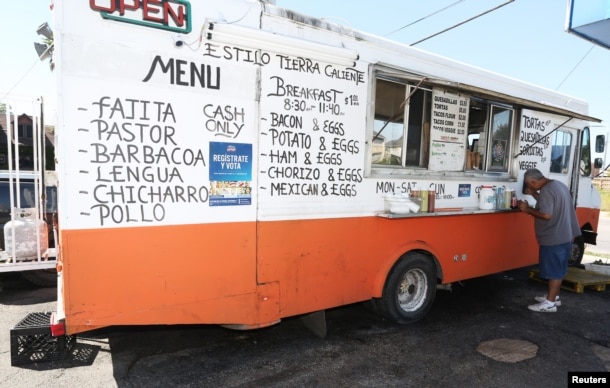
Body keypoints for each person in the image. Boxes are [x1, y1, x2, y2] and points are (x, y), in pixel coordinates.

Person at [517, 168, 581, 313]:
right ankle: (554, 296)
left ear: (533, 181)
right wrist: (534, 194)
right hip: (566, 234)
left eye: (530, 185)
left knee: (554, 272)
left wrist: (527, 209)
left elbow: (546, 215)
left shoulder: (546, 191)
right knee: (558, 268)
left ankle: (549, 303)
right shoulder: (558, 185)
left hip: (554, 237)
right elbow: (551, 204)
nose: (529, 187)